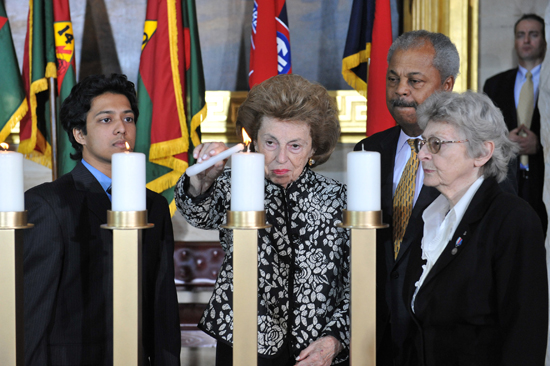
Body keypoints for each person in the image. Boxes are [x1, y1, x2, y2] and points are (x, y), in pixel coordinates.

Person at [175, 74, 350, 366]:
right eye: (270, 142)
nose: (280, 158)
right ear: (254, 141)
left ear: (314, 148)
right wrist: (202, 181)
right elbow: (198, 213)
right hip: (243, 339)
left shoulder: (339, 198)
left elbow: (356, 283)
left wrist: (336, 338)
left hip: (316, 347)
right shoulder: (235, 183)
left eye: (295, 146)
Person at [23, 74, 181, 366]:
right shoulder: (48, 203)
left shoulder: (155, 205)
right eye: (106, 120)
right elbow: (32, 309)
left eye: (129, 118)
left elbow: (162, 304)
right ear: (79, 134)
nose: (122, 128)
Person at [403, 90, 548, 365]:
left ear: (481, 153)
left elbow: (524, 337)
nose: (421, 154)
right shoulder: (429, 217)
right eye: (422, 143)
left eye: (436, 144)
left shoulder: (512, 219)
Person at [353, 30, 458, 366]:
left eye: (415, 80)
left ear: (446, 86)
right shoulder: (368, 151)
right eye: (393, 78)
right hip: (374, 340)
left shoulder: (472, 161)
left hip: (441, 340)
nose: (400, 90)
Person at [483, 13, 548, 233]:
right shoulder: (495, 84)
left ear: (545, 40)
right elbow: (483, 134)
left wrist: (539, 144)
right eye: (521, 35)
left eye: (533, 34)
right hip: (508, 182)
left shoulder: (549, 82)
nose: (526, 40)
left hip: (543, 180)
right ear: (514, 41)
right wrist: (503, 140)